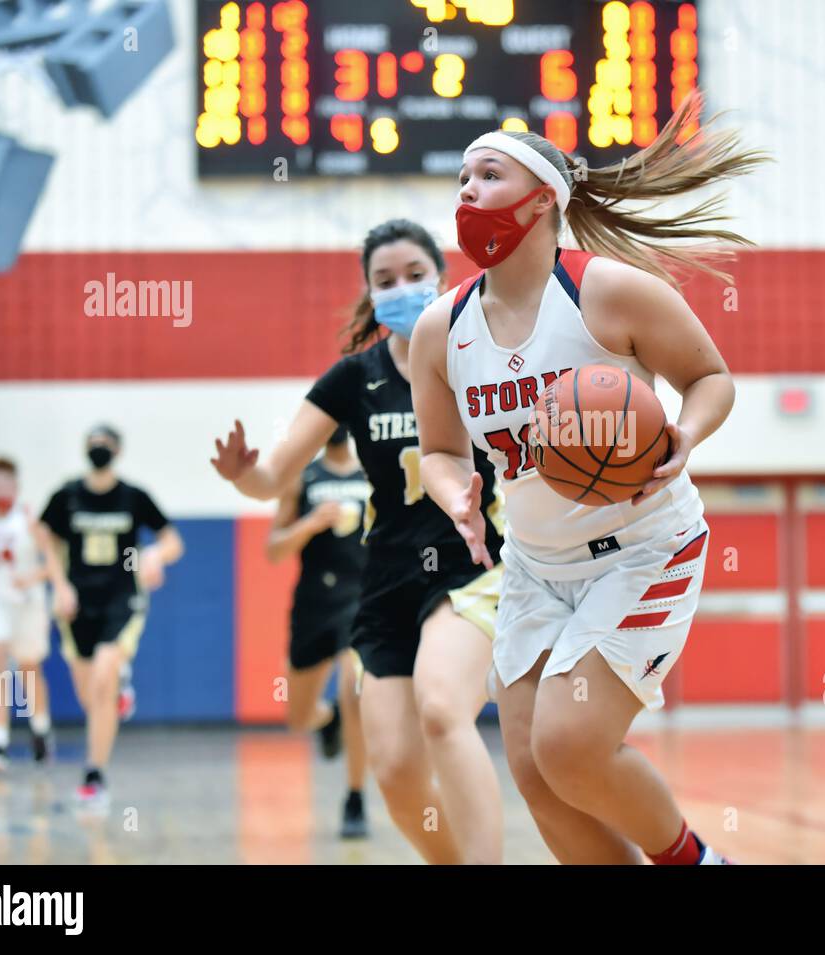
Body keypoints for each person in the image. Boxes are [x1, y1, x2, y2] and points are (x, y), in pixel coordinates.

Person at [410, 90, 766, 864]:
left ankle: (698, 861)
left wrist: (685, 433)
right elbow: (439, 449)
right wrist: (454, 492)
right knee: (537, 775)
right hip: (535, 566)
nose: (467, 189)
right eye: (462, 178)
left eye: (488, 174)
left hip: (643, 547)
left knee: (571, 745)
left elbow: (710, 378)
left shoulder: (608, 291)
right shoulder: (440, 328)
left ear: (543, 200)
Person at [211, 219, 506, 864]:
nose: (402, 289)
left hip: (473, 566)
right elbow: (273, 478)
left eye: (414, 275)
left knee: (440, 707)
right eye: (385, 281)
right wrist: (244, 475)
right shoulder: (353, 378)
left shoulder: (484, 357)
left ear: (443, 278)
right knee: (397, 776)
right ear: (371, 296)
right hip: (388, 580)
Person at [37, 425, 184, 808]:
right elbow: (44, 536)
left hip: (123, 597)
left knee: (103, 677)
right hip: (78, 601)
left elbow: (173, 541)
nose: (98, 449)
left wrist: (154, 555)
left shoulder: (133, 497)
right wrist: (59, 584)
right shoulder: (67, 496)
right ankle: (119, 689)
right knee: (91, 696)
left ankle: (94, 774)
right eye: (93, 444)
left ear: (117, 450)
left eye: (105, 444)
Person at [266, 426, 371, 838]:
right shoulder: (301, 478)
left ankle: (355, 797)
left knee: (353, 689)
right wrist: (310, 522)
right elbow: (273, 549)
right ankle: (328, 723)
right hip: (313, 602)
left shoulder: (373, 474)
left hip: (361, 597)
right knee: (297, 716)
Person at [0, 457, 60, 769]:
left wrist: (34, 577)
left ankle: (41, 730)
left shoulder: (29, 520)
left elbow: (54, 561)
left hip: (27, 601)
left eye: (6, 483)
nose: (0, 488)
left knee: (29, 671)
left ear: (16, 487)